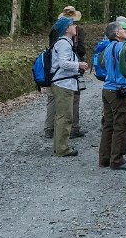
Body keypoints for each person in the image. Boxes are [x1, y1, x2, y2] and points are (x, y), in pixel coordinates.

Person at [45, 6, 87, 139]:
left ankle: (49, 128)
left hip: (51, 67)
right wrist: (79, 63)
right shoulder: (76, 30)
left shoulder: (54, 28)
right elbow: (81, 50)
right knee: (74, 98)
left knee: (52, 98)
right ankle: (73, 128)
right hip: (69, 70)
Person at [99, 21, 126, 170]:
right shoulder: (121, 47)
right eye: (121, 29)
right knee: (121, 125)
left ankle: (104, 158)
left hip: (107, 89)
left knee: (108, 124)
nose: (125, 31)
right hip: (119, 91)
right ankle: (117, 159)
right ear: (116, 34)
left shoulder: (107, 48)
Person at [50, 16, 88, 156]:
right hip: (63, 84)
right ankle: (62, 148)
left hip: (63, 83)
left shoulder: (63, 42)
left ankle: (59, 146)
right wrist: (79, 64)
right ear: (66, 29)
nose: (75, 27)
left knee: (62, 116)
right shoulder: (64, 44)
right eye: (72, 25)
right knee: (65, 116)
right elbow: (63, 63)